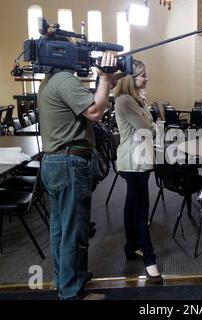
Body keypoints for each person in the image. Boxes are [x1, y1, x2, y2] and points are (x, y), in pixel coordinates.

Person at [39, 51, 117, 300]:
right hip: (69, 163)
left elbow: (86, 104)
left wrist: (104, 82)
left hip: (55, 161)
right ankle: (73, 293)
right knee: (75, 231)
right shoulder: (65, 79)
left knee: (61, 229)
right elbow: (94, 112)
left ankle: (68, 279)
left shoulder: (50, 80)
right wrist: (104, 79)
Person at [114, 59, 163, 284]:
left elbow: (150, 122)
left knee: (131, 205)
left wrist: (146, 116)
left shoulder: (134, 100)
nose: (147, 78)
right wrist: (148, 121)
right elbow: (148, 129)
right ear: (130, 79)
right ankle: (150, 261)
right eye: (143, 75)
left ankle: (131, 246)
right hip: (133, 162)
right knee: (141, 210)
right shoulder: (124, 101)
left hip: (139, 161)